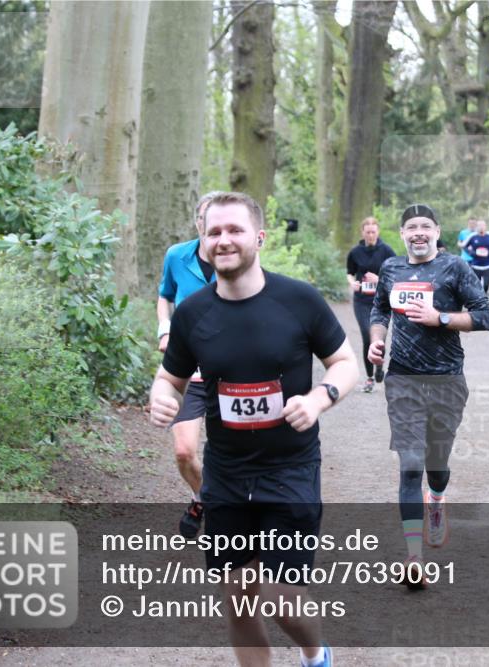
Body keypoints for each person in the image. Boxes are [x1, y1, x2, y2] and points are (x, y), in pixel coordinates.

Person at [149, 192, 358, 667]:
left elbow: (345, 363)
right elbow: (170, 377)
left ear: (258, 238)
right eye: (214, 232)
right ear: (203, 242)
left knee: (284, 601)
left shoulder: (298, 300)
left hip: (290, 468)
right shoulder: (192, 314)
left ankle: (314, 652)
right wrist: (163, 396)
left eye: (235, 230)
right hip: (226, 473)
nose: (223, 240)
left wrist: (319, 398)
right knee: (240, 593)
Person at [367, 203, 489, 590]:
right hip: (402, 380)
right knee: (409, 464)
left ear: (437, 231)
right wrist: (377, 341)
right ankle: (413, 558)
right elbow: (378, 310)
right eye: (411, 227)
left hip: (446, 381)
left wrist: (440, 318)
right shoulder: (391, 269)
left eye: (425, 226)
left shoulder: (455, 268)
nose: (418, 232)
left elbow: (485, 316)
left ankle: (436, 499)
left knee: (436, 464)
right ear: (402, 234)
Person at [156, 191, 222, 538]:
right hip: (189, 371)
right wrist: (165, 330)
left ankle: (221, 508)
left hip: (230, 375)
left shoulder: (237, 258)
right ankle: (202, 498)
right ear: (198, 223)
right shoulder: (177, 256)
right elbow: (165, 296)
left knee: (227, 455)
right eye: (204, 220)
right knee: (184, 451)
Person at [346, 216, 396, 393]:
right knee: (367, 337)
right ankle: (368, 378)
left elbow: (397, 275)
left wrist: (379, 279)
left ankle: (379, 367)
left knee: (379, 339)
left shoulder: (387, 251)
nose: (370, 235)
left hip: (381, 300)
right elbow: (350, 273)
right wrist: (351, 282)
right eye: (367, 232)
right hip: (361, 301)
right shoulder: (355, 252)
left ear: (378, 232)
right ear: (362, 233)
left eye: (373, 232)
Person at [461, 219, 489, 293]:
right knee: (476, 285)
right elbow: (463, 246)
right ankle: (478, 300)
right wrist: (472, 253)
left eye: (483, 225)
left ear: (486, 226)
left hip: (488, 264)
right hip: (476, 265)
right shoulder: (472, 236)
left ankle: (483, 295)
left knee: (486, 284)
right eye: (479, 225)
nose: (481, 227)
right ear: (476, 227)